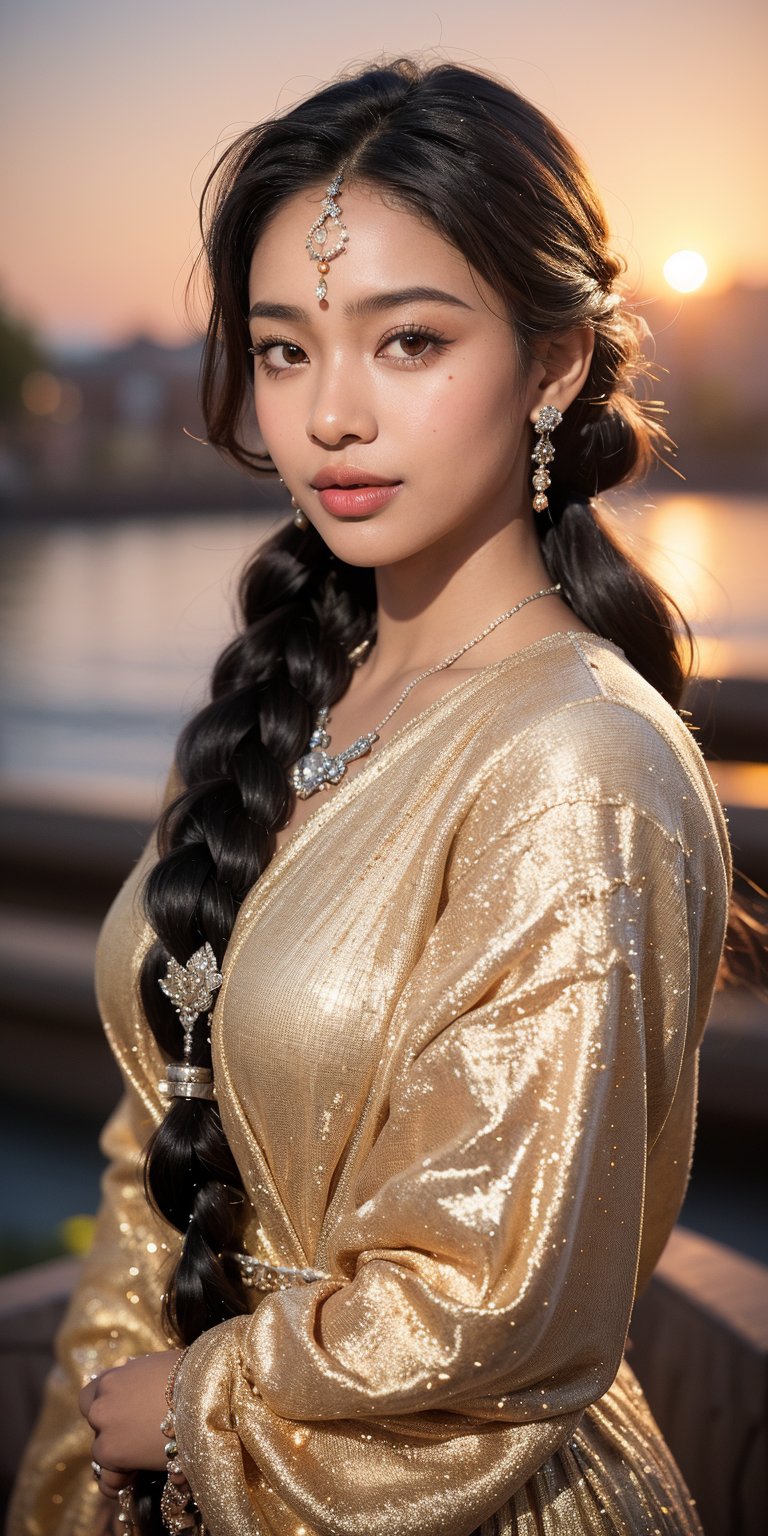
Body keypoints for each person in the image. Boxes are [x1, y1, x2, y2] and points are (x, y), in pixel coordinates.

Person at [9, 57, 731, 1536]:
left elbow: (488, 1310)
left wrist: (196, 1411)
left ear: (554, 365)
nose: (329, 415)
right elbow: (153, 1154)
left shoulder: (580, 764)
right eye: (284, 352)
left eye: (407, 342)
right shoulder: (271, 709)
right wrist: (83, 1471)